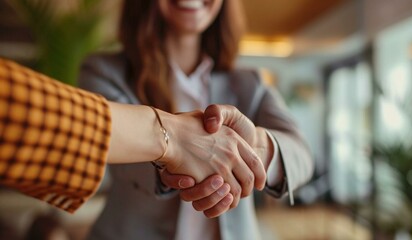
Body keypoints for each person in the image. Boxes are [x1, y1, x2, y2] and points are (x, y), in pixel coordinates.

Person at [78, 0, 314, 239]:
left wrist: (253, 149)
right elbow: (113, 149)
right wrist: (180, 152)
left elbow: (301, 152)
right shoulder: (104, 71)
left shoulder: (250, 83)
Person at [0, 57, 264, 214]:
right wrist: (172, 138)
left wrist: (246, 151)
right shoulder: (104, 68)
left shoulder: (250, 80)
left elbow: (294, 147)